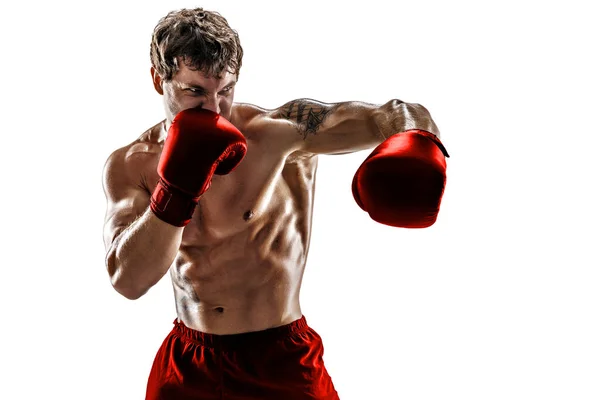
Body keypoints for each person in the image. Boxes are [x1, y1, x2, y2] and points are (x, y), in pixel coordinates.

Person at [102, 7, 449, 400]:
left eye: (226, 90)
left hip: (281, 360)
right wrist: (174, 191)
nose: (215, 109)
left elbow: (398, 114)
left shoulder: (282, 135)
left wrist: (416, 142)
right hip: (189, 367)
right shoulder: (133, 164)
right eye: (194, 91)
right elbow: (127, 280)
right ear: (157, 79)